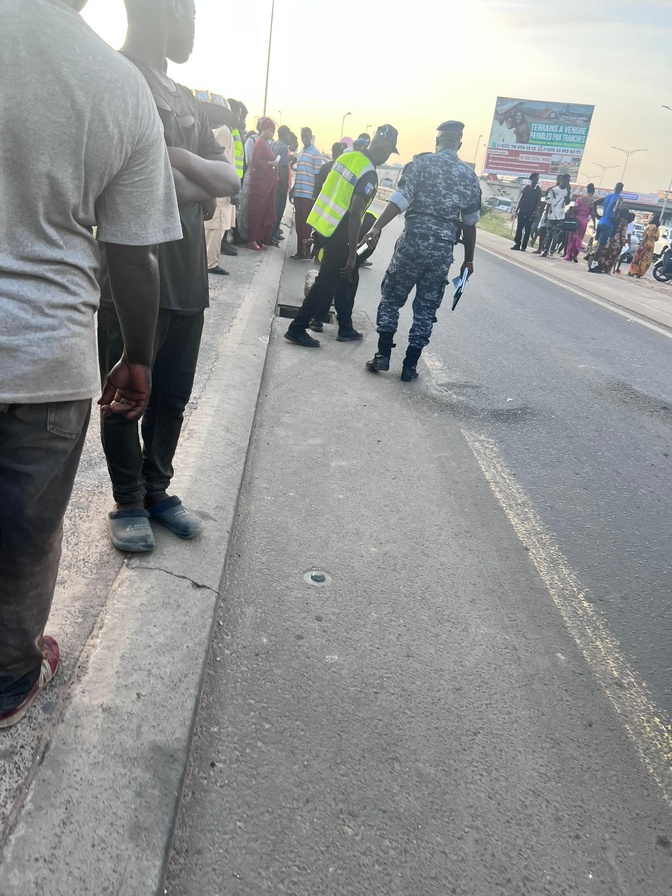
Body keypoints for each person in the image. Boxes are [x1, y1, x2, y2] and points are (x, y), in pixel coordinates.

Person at [0, 0, 183, 728]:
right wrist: (137, 358)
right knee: (27, 530)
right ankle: (11, 675)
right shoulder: (117, 86)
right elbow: (134, 255)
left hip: (50, 358)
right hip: (49, 358)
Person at [98, 0, 240, 554]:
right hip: (132, 275)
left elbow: (227, 179)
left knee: (173, 394)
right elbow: (114, 185)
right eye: (196, 16)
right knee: (126, 393)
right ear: (170, 9)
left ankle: (158, 490)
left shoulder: (186, 99)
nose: (196, 32)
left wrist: (176, 156)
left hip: (186, 274)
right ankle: (128, 498)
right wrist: (194, 183)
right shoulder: (113, 79)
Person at [362, 121, 481, 382]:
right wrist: (468, 260)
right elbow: (470, 223)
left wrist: (376, 227)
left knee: (392, 298)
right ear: (459, 144)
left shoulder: (421, 164)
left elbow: (401, 199)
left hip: (412, 243)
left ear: (437, 141)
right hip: (441, 251)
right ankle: (409, 367)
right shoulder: (469, 176)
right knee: (426, 308)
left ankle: (382, 355)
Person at [284, 125, 400, 347]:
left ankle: (345, 327)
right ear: (383, 149)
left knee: (344, 278)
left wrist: (317, 233)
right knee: (327, 282)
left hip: (325, 225)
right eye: (387, 151)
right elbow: (355, 213)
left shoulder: (347, 158)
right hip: (341, 233)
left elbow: (328, 191)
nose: (386, 156)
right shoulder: (368, 173)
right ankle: (298, 327)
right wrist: (351, 251)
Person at [204, 103, 237, 275]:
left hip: (215, 183)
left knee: (212, 227)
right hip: (221, 185)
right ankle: (211, 262)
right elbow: (222, 161)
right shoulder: (224, 131)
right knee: (216, 227)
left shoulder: (210, 129)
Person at [247, 117, 279, 250]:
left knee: (265, 212)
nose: (272, 134)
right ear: (264, 130)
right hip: (259, 185)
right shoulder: (259, 143)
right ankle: (252, 239)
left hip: (267, 184)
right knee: (257, 212)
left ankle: (260, 238)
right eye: (270, 131)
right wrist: (271, 163)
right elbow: (256, 162)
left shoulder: (266, 143)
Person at [290, 127, 323, 259]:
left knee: (305, 224)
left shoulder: (315, 153)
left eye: (307, 136)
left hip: (308, 194)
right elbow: (299, 173)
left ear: (311, 136)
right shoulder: (302, 152)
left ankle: (305, 252)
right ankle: (300, 251)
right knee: (298, 223)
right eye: (302, 136)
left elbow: (318, 176)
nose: (304, 139)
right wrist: (293, 189)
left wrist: (314, 195)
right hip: (298, 192)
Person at [590, 182, 624, 272]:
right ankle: (594, 264)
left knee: (599, 245)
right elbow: (617, 207)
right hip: (608, 223)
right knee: (601, 245)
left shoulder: (607, 197)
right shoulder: (619, 198)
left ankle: (595, 263)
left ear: (614, 188)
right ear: (621, 189)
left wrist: (597, 215)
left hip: (601, 221)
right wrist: (615, 218)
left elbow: (594, 203)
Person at [564, 183, 596, 263]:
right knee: (579, 238)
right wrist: (595, 225)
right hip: (584, 221)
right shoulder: (593, 202)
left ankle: (568, 255)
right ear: (593, 192)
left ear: (587, 190)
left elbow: (575, 208)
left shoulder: (579, 199)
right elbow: (593, 215)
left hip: (576, 219)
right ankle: (575, 255)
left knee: (572, 237)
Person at [541, 173, 571, 256]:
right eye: (565, 180)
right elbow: (548, 203)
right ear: (562, 180)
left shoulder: (567, 191)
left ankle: (551, 252)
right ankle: (545, 251)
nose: (566, 182)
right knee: (548, 234)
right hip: (552, 215)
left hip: (561, 216)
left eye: (568, 181)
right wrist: (546, 215)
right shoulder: (553, 190)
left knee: (556, 235)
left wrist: (568, 192)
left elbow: (568, 202)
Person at [511, 173, 541, 251]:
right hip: (522, 211)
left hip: (531, 213)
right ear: (531, 179)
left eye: (537, 179)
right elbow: (521, 199)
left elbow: (538, 202)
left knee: (528, 230)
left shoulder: (538, 190)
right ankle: (517, 244)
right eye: (535, 178)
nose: (537, 180)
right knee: (519, 228)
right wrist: (517, 210)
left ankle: (524, 246)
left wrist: (536, 212)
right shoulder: (526, 188)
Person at [272, 124, 291, 241]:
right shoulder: (284, 147)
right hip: (280, 184)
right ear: (285, 135)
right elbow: (283, 168)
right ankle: (275, 233)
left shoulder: (274, 144)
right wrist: (284, 187)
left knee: (272, 209)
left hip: (273, 181)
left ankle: (272, 232)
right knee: (278, 210)